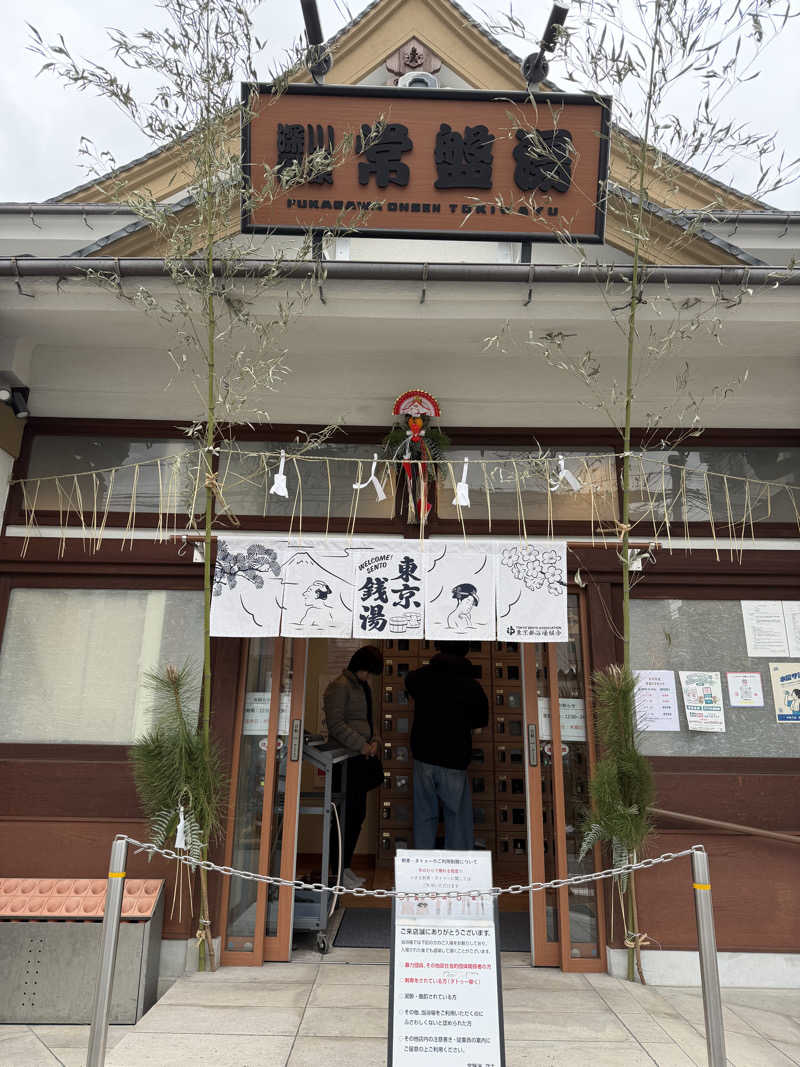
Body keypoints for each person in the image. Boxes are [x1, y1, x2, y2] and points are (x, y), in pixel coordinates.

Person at [405, 641, 489, 850]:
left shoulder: (421, 676)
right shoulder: (472, 686)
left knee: (424, 815)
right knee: (457, 818)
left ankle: (421, 872)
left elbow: (408, 682)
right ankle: (459, 874)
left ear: (439, 647)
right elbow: (479, 726)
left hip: (423, 756)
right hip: (454, 758)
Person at [323, 645, 384, 889]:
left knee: (357, 815)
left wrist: (375, 741)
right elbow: (335, 724)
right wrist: (362, 745)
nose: (368, 677)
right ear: (359, 666)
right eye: (367, 672)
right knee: (344, 817)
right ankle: (337, 870)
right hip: (345, 761)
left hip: (360, 760)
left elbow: (369, 721)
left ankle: (345, 867)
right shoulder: (340, 686)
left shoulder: (362, 687)